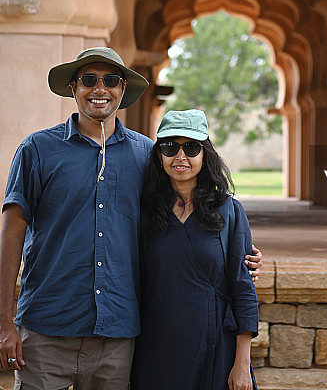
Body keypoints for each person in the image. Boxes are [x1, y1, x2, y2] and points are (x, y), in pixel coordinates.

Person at [0, 47, 261, 390]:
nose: (99, 89)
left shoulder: (145, 155)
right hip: (49, 327)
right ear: (73, 87)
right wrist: (4, 322)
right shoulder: (37, 150)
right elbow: (12, 232)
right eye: (89, 80)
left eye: (110, 80)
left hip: (117, 336)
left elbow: (191, 217)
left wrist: (241, 256)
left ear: (123, 89)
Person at [131, 109, 259, 390]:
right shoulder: (144, 214)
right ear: (159, 155)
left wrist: (242, 363)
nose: (180, 157)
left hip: (215, 349)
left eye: (191, 147)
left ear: (205, 153)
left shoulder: (229, 212)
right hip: (156, 351)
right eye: (169, 147)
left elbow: (243, 288)